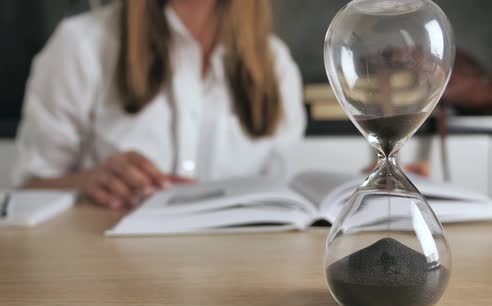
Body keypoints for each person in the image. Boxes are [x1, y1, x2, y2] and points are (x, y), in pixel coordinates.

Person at [13, 0, 306, 210]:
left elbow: (284, 197)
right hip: (106, 277)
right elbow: (25, 191)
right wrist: (89, 182)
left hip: (234, 276)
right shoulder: (81, 44)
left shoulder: (275, 63)